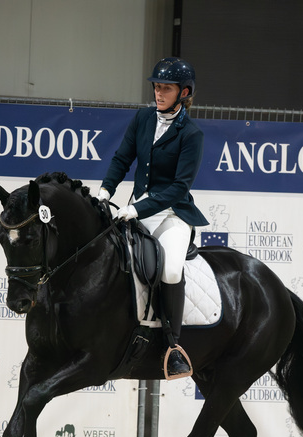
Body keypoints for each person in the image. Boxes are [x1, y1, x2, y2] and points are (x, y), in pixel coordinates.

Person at [98, 57, 208, 380]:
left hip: (172, 213)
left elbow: (179, 188)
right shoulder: (143, 118)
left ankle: (173, 347)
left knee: (171, 270)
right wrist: (105, 190)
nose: (159, 93)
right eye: (157, 87)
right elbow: (122, 158)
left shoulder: (192, 134)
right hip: (137, 208)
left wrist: (137, 209)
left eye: (166, 88)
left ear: (183, 92)